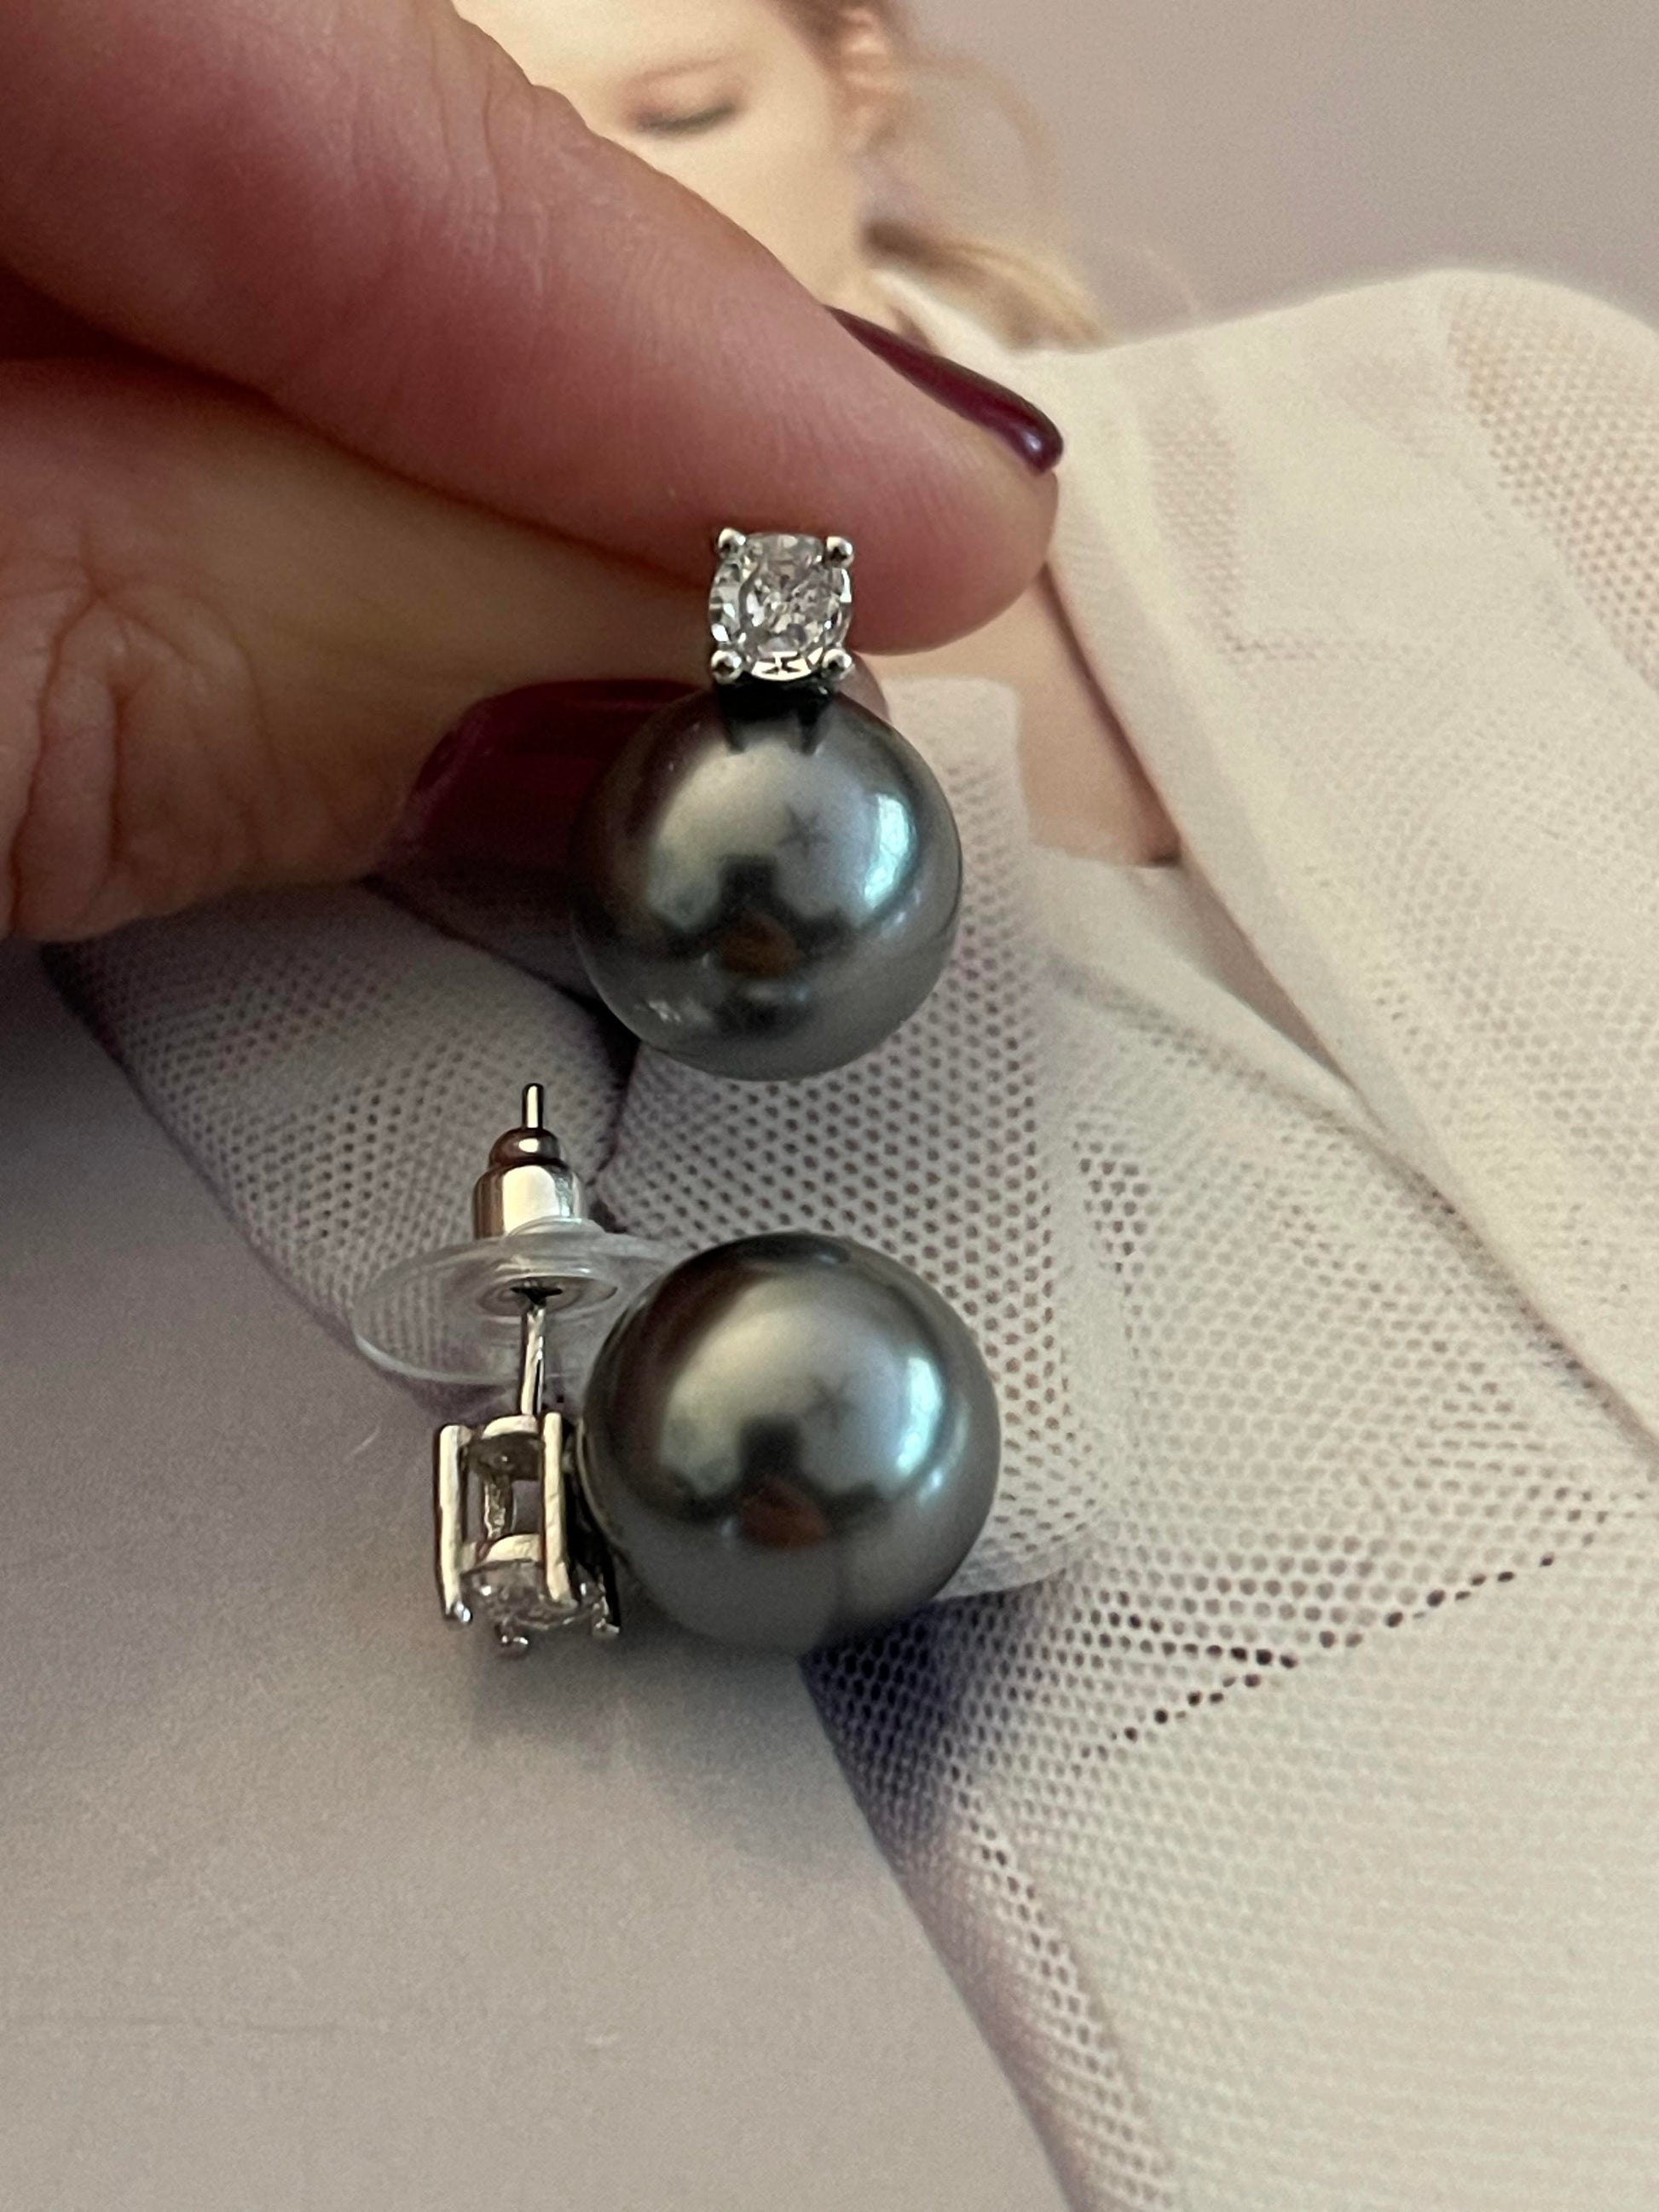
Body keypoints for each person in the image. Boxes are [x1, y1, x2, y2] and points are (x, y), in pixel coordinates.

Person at [4, 4, 1657, 2209]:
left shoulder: (1471, 412)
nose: (629, 238)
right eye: (528, 141)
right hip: (1261, 2003)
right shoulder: (227, 859)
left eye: (683, 112)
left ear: (858, 73)